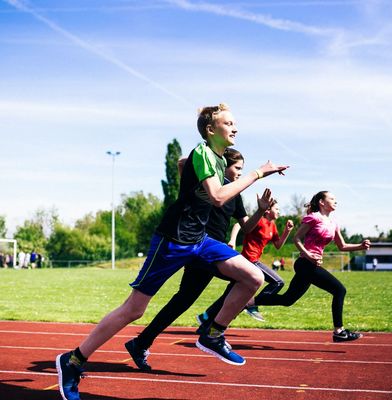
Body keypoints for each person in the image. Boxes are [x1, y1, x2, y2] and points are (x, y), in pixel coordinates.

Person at [56, 103, 288, 400]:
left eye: (234, 123)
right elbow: (218, 197)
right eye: (229, 123)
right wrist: (257, 173)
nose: (235, 128)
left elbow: (197, 180)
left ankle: (214, 333)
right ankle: (73, 360)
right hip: (173, 240)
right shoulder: (203, 153)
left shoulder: (216, 160)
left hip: (200, 240)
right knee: (135, 309)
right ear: (210, 129)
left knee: (253, 277)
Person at [125, 148, 275, 371]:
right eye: (237, 168)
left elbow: (247, 227)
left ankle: (142, 342)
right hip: (199, 247)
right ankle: (212, 328)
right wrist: (197, 164)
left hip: (213, 252)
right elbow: (183, 168)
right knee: (246, 277)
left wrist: (261, 211)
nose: (239, 173)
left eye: (242, 169)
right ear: (223, 166)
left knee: (184, 300)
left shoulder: (236, 195)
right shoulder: (209, 186)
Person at [256, 190, 370, 342]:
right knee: (339, 290)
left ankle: (249, 301)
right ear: (322, 202)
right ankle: (339, 331)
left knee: (288, 299)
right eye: (332, 198)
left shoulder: (333, 223)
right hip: (305, 264)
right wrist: (308, 254)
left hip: (311, 265)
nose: (336, 201)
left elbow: (341, 246)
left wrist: (360, 246)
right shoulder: (313, 218)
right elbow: (297, 239)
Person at [197, 201, 294, 324]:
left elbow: (278, 245)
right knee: (278, 282)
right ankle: (250, 303)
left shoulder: (272, 226)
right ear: (268, 211)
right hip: (249, 260)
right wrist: (232, 240)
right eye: (277, 209)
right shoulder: (259, 220)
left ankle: (205, 318)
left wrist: (287, 231)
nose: (279, 211)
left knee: (229, 294)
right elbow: (238, 225)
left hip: (254, 261)